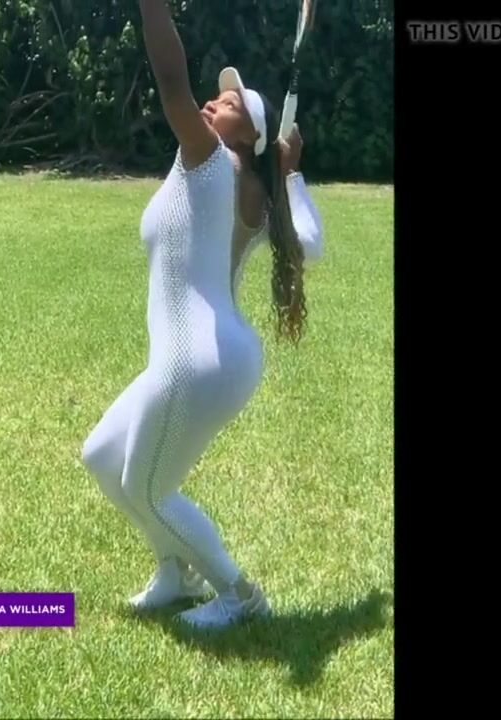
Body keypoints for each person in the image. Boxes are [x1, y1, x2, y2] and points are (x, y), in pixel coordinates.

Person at [81, 0, 323, 630]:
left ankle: (239, 593)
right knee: (102, 456)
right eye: (218, 96)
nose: (216, 101)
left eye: (231, 102)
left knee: (148, 489)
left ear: (248, 135)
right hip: (204, 355)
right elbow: (311, 243)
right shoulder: (254, 191)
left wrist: (152, 7)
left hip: (199, 358)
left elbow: (171, 82)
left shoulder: (210, 158)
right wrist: (290, 176)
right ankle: (175, 572)